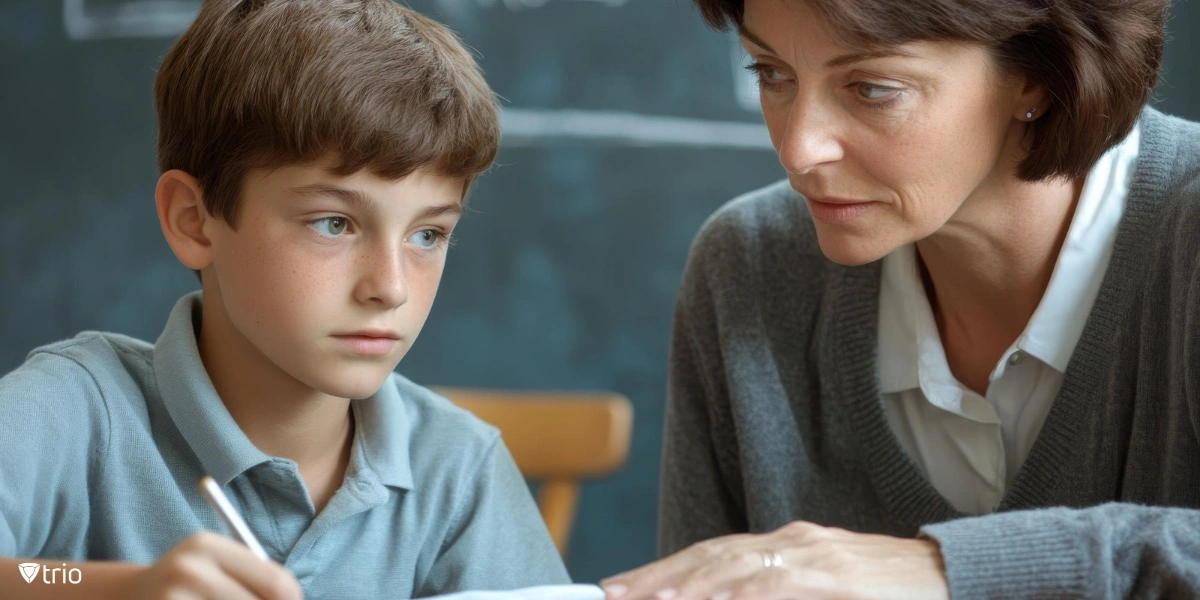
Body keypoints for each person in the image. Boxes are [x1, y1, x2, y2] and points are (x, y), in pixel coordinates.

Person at [600, 0, 1200, 597]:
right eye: (772, 73)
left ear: (1039, 75)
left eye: (873, 89)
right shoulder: (748, 269)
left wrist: (946, 568)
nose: (797, 151)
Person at [0, 1, 568, 598]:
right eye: (333, 223)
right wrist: (121, 588)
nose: (391, 287)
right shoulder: (78, 410)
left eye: (427, 235)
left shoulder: (460, 469)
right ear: (194, 221)